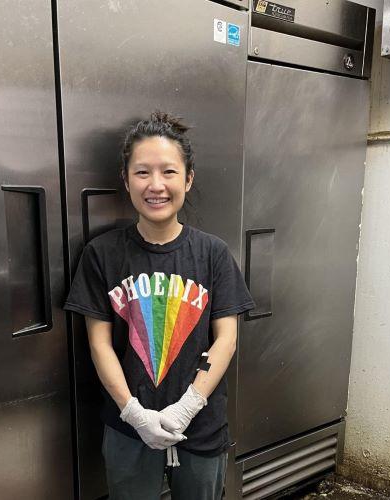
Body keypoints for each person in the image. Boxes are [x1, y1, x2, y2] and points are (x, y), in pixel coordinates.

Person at [64, 111, 255, 500]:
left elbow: (227, 340)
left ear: (188, 178)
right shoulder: (101, 255)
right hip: (127, 428)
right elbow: (99, 344)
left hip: (201, 426)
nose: (156, 185)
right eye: (142, 172)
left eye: (168, 172)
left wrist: (187, 407)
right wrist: (135, 414)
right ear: (125, 179)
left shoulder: (213, 254)